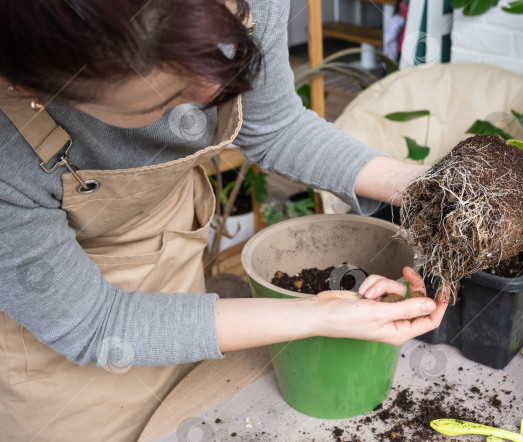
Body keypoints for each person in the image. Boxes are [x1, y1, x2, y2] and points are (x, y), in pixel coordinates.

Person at [0, 0, 448, 440]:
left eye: (222, 48)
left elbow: (274, 127)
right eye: (171, 97)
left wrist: (428, 189)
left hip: (172, 258)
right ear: (26, 87)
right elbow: (97, 324)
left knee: (193, 408)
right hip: (57, 343)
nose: (213, 95)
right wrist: (317, 315)